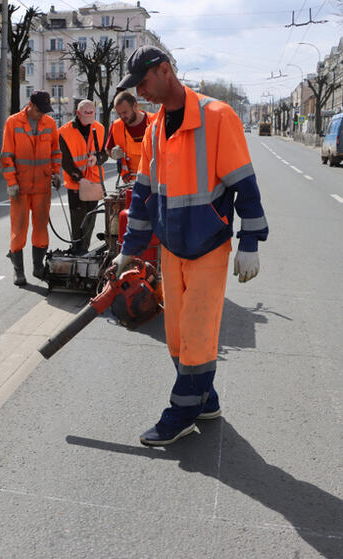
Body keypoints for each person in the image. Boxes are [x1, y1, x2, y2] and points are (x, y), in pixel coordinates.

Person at [112, 46, 269, 446]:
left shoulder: (217, 117)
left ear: (165, 70)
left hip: (208, 247)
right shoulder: (154, 129)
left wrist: (250, 241)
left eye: (144, 83)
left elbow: (244, 185)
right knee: (178, 336)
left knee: (197, 334)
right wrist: (129, 247)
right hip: (172, 248)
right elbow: (144, 194)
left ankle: (181, 411)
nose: (142, 92)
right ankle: (206, 399)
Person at [0, 90, 62, 286]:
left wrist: (56, 172)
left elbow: (55, 151)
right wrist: (11, 183)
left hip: (42, 186)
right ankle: (18, 271)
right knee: (19, 228)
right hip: (20, 187)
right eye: (40, 110)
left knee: (41, 227)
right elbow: (6, 155)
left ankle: (38, 267)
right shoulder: (13, 122)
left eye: (45, 111)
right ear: (31, 105)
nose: (42, 114)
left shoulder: (50, 124)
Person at [59, 99, 107, 254]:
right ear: (77, 113)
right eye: (85, 114)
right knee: (78, 221)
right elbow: (65, 161)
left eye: (91, 113)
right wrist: (80, 179)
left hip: (93, 183)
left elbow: (105, 153)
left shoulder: (99, 128)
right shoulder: (64, 132)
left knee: (89, 221)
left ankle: (83, 252)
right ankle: (77, 250)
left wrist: (98, 158)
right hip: (76, 185)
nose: (88, 117)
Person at [105, 90, 154, 183]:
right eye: (119, 114)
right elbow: (108, 149)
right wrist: (113, 153)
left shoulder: (155, 121)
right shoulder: (116, 126)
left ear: (135, 106)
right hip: (130, 181)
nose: (122, 116)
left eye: (125, 112)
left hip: (154, 181)